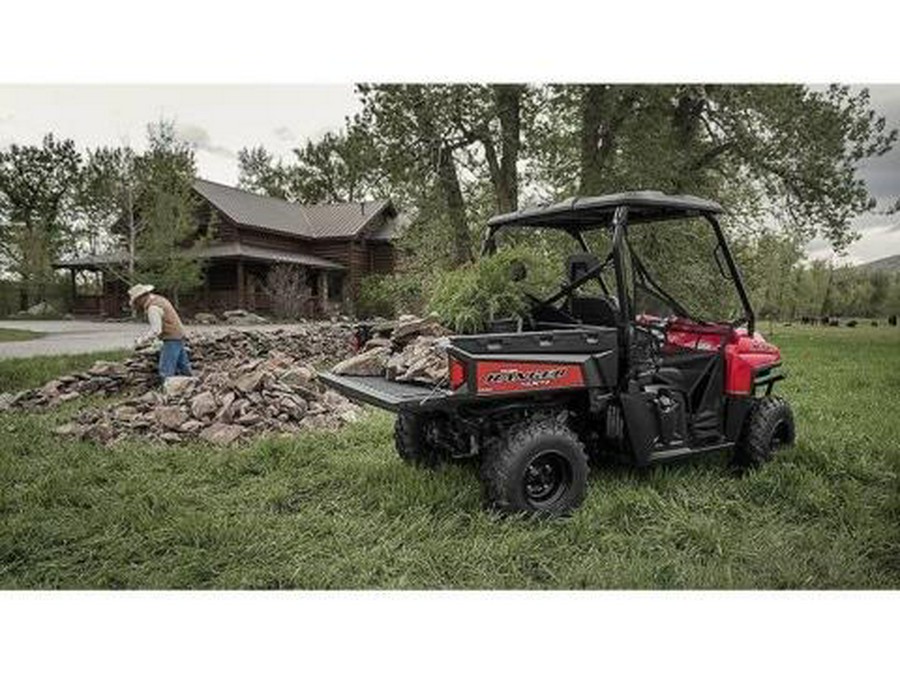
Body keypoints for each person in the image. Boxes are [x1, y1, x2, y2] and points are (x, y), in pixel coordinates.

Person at [128, 283, 193, 381]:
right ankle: (192, 387)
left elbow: (156, 330)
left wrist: (141, 341)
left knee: (165, 370)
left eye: (136, 302)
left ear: (140, 298)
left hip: (171, 338)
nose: (137, 305)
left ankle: (168, 392)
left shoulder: (153, 308)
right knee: (183, 367)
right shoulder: (160, 299)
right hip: (178, 335)